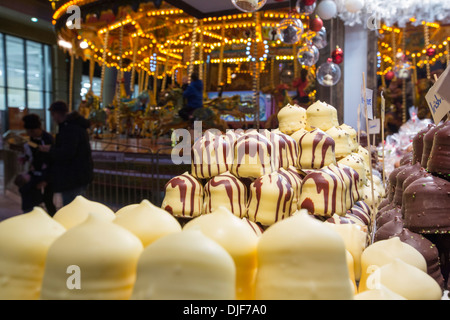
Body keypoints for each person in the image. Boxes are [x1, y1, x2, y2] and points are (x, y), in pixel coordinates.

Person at [39, 101, 94, 206]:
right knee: (75, 205)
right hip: (78, 175)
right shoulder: (72, 126)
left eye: (53, 115)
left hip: (73, 176)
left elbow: (67, 152)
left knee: (71, 206)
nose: (53, 118)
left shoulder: (70, 128)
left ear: (56, 114)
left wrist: (50, 150)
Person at [15, 114, 56, 215]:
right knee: (30, 193)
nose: (29, 134)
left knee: (48, 199)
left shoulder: (48, 139)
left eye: (30, 131)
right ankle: (33, 215)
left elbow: (53, 161)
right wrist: (26, 158)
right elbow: (34, 154)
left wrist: (46, 180)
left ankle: (52, 219)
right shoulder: (32, 139)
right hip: (37, 172)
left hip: (48, 174)